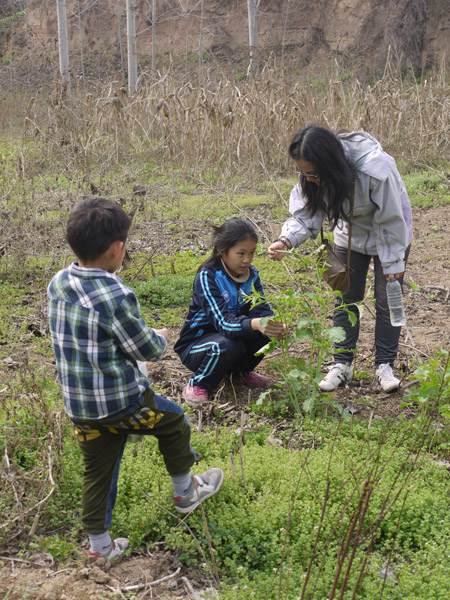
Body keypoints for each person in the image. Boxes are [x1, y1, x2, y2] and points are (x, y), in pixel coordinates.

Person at [47, 197, 224, 567]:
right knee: (174, 422)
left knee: (98, 472)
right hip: (122, 404)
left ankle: (99, 547)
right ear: (118, 248)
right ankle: (185, 493)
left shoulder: (59, 282)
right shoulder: (115, 295)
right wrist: (158, 336)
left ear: (72, 244)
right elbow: (144, 347)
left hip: (80, 407)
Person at [268, 125, 412, 393]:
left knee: (387, 299)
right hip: (349, 234)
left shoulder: (374, 168)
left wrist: (393, 265)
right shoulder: (311, 177)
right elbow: (306, 213)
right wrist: (286, 239)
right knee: (347, 299)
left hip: (391, 235)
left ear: (330, 163)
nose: (308, 178)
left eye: (313, 173)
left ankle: (384, 366)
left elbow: (392, 219)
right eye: (303, 172)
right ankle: (342, 364)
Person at [175, 218, 285, 408]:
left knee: (266, 333)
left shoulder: (252, 276)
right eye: (240, 253)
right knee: (227, 345)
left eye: (251, 253)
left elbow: (260, 308)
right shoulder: (208, 276)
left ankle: (238, 373)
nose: (247, 259)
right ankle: (199, 383)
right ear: (221, 249)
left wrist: (271, 323)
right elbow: (224, 323)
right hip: (198, 346)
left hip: (230, 338)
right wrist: (255, 323)